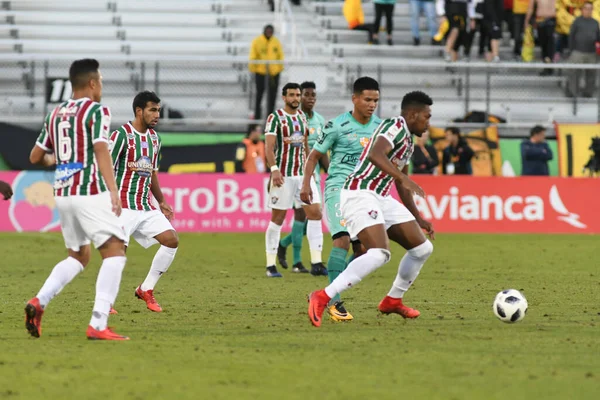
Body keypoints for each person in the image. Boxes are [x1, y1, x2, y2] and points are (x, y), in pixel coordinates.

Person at [307, 91, 435, 328]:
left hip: (381, 197)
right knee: (378, 253)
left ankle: (392, 300)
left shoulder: (408, 142)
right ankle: (322, 296)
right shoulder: (396, 125)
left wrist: (418, 218)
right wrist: (403, 178)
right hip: (359, 192)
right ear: (413, 114)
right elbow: (377, 154)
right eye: (426, 117)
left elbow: (400, 182)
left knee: (422, 249)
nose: (428, 123)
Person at [25, 58, 129, 340]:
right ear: (93, 83)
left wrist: (59, 157)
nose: (101, 88)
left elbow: (36, 157)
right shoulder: (97, 111)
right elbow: (100, 149)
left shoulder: (55, 114)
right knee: (115, 252)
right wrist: (113, 190)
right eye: (101, 82)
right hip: (88, 191)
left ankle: (39, 301)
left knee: (79, 256)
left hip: (62, 192)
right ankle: (98, 323)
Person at [301, 77, 383, 322]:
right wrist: (306, 183)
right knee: (343, 240)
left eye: (376, 100)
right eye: (367, 99)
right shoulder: (336, 125)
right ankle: (334, 303)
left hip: (363, 192)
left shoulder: (379, 127)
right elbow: (314, 156)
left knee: (365, 249)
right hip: (337, 189)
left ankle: (326, 293)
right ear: (355, 99)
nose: (371, 105)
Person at [108, 91, 178, 314]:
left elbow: (152, 173)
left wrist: (162, 201)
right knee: (117, 254)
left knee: (171, 240)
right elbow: (105, 168)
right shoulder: (121, 135)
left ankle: (146, 289)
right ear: (139, 111)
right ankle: (106, 301)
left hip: (145, 206)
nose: (158, 114)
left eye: (158, 110)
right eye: (153, 110)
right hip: (122, 205)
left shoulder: (155, 139)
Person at [264, 83, 326, 278]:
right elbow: (269, 147)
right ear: (284, 97)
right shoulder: (275, 118)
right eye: (292, 95)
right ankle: (270, 265)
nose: (296, 98)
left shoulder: (301, 117)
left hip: (302, 175)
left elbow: (306, 146)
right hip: (283, 176)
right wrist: (274, 170)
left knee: (315, 212)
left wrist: (310, 172)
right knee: (278, 219)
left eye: (297, 95)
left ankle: (316, 262)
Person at [249, 25, 284, 121]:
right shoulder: (257, 41)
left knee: (272, 97)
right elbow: (253, 55)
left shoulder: (276, 42)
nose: (269, 33)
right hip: (261, 73)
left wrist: (278, 69)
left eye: (271, 31)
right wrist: (254, 68)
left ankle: (270, 118)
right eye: (267, 31)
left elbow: (280, 56)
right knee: (259, 96)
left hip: (273, 74)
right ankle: (257, 118)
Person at [565, 1, 600, 97]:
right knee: (574, 73)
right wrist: (571, 50)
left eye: (590, 9)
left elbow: (598, 38)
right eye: (586, 9)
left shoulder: (595, 23)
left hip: (591, 53)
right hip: (577, 52)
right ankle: (573, 92)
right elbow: (571, 36)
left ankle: (588, 93)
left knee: (591, 75)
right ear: (582, 10)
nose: (588, 11)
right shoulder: (577, 21)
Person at [525, 0, 556, 75]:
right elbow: (530, 8)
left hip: (552, 20)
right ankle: (547, 66)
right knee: (544, 45)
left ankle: (549, 66)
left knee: (549, 46)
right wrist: (527, 21)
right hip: (541, 20)